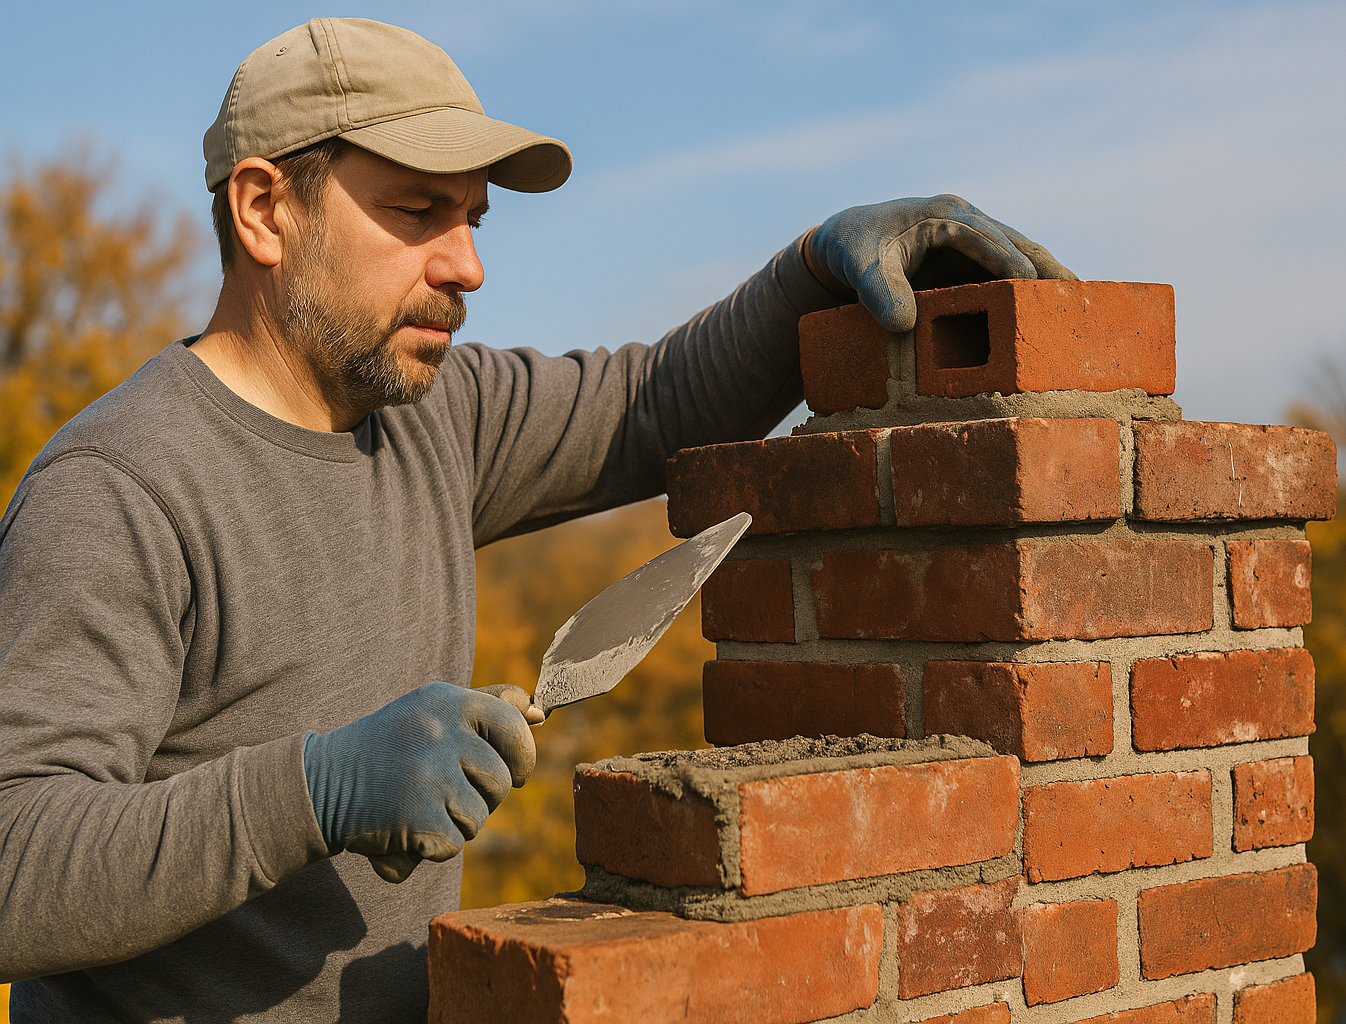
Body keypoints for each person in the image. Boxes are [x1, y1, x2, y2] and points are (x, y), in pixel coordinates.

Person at [0, 17, 1075, 1023]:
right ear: (264, 208)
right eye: (418, 212)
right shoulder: (119, 491)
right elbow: (14, 863)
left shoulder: (429, 418)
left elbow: (654, 405)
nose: (467, 265)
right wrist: (314, 788)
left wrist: (807, 272)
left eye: (470, 218)